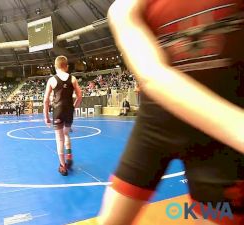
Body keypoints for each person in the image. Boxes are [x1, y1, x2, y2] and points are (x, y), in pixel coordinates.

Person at [98, 1, 244, 225]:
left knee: (215, 217)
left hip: (218, 135)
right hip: (162, 123)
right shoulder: (124, 7)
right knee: (110, 220)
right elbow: (152, 75)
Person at [43, 55, 82, 176]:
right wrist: (73, 108)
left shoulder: (52, 80)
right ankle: (69, 156)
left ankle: (63, 166)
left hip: (58, 111)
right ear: (66, 66)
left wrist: (46, 116)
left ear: (56, 67)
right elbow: (80, 96)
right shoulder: (73, 78)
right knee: (66, 133)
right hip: (69, 111)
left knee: (59, 139)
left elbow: (46, 100)